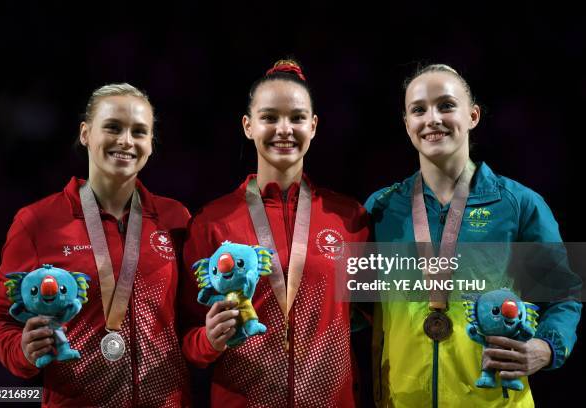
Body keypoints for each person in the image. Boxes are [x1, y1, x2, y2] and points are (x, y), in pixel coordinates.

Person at [364, 64, 582, 407]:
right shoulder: (381, 208)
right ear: (407, 125)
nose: (432, 118)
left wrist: (545, 347)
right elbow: (356, 311)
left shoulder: (519, 204)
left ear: (473, 115)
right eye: (418, 110)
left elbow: (565, 293)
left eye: (446, 105)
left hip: (495, 401)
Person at [0, 83, 192, 407]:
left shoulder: (174, 218)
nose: (126, 140)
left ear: (150, 143)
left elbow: (191, 321)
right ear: (85, 133)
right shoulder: (39, 222)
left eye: (139, 131)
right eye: (112, 127)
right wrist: (22, 350)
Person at [179, 59, 370, 407]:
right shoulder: (212, 222)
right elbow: (185, 340)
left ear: (313, 126)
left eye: (297, 118)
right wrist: (209, 339)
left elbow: (380, 321)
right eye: (269, 117)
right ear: (248, 126)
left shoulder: (349, 219)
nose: (284, 129)